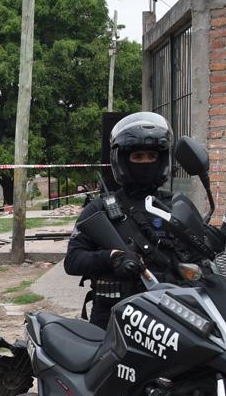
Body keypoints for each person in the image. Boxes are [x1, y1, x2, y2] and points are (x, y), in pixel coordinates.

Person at [63, 112, 215, 328]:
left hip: (171, 318)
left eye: (151, 156)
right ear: (123, 160)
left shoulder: (177, 206)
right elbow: (73, 260)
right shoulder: (100, 209)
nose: (146, 162)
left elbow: (204, 255)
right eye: (138, 157)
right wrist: (111, 258)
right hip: (114, 317)